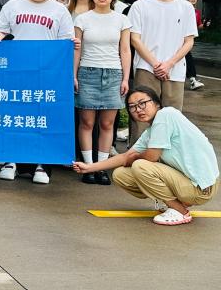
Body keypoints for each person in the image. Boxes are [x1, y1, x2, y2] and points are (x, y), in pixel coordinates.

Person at [74, 87, 218, 226]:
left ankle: (179, 210)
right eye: (132, 107)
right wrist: (89, 167)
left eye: (142, 103)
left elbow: (152, 156)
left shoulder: (165, 115)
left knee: (140, 166)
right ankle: (174, 203)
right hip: (187, 182)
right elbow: (125, 157)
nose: (138, 109)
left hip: (201, 188)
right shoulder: (151, 131)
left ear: (156, 103)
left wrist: (134, 158)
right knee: (120, 174)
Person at [0, 0, 75, 184]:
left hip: (47, 72)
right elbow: (0, 31)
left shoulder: (60, 10)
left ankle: (42, 164)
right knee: (14, 115)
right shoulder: (13, 5)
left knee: (42, 116)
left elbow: (66, 43)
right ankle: (11, 161)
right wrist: (0, 37)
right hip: (16, 70)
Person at [127, 0, 198, 142]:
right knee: (142, 115)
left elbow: (189, 41)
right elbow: (135, 39)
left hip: (175, 69)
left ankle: (167, 157)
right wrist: (156, 64)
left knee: (172, 117)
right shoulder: (139, 6)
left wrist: (169, 64)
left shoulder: (185, 7)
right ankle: (138, 155)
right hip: (146, 68)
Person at [73, 0, 131, 185]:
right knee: (87, 122)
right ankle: (88, 167)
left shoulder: (122, 20)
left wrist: (125, 78)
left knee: (107, 123)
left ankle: (101, 167)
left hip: (113, 74)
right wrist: (73, 75)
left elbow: (125, 50)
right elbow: (76, 50)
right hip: (87, 72)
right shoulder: (82, 19)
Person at [184, 0, 205, 90]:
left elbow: (198, 25)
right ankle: (192, 80)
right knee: (188, 58)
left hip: (190, 39)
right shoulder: (183, 9)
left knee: (185, 58)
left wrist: (205, 24)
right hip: (181, 38)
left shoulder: (197, 12)